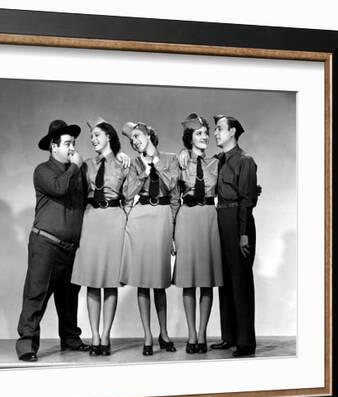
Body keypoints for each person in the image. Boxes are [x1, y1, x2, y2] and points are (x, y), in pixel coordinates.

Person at [15, 119, 90, 362]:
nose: (72, 148)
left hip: (70, 248)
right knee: (36, 293)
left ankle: (70, 338)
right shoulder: (43, 171)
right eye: (68, 143)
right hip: (46, 244)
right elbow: (59, 188)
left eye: (74, 143)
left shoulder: (77, 173)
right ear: (53, 147)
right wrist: (75, 168)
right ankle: (26, 343)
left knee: (69, 295)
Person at [120, 121, 179, 356]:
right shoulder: (133, 163)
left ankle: (164, 333)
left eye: (137, 136)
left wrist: (173, 231)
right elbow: (128, 193)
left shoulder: (171, 158)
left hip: (162, 217)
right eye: (131, 140)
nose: (135, 141)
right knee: (143, 282)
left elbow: (173, 191)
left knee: (159, 281)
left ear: (148, 134)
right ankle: (147, 335)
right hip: (140, 218)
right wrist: (143, 170)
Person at [71, 117, 129, 356]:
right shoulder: (86, 164)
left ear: (108, 137)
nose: (92, 139)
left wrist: (124, 157)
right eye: (91, 136)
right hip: (91, 219)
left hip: (114, 219)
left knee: (110, 282)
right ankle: (94, 335)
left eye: (96, 135)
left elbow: (130, 194)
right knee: (93, 282)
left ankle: (106, 336)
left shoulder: (123, 163)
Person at [173, 113, 224, 354]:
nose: (204, 136)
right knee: (189, 280)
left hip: (209, 219)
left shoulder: (217, 162)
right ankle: (191, 333)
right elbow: (172, 196)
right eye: (199, 133)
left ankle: (202, 333)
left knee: (207, 280)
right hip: (187, 218)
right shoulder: (180, 161)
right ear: (189, 138)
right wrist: (171, 231)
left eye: (206, 133)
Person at [209, 114, 258, 357]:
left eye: (219, 129)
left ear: (233, 132)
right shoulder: (220, 160)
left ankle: (245, 342)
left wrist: (243, 234)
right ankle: (228, 336)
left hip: (238, 221)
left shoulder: (245, 160)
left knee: (240, 283)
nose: (215, 133)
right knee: (225, 281)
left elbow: (247, 201)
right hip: (222, 219)